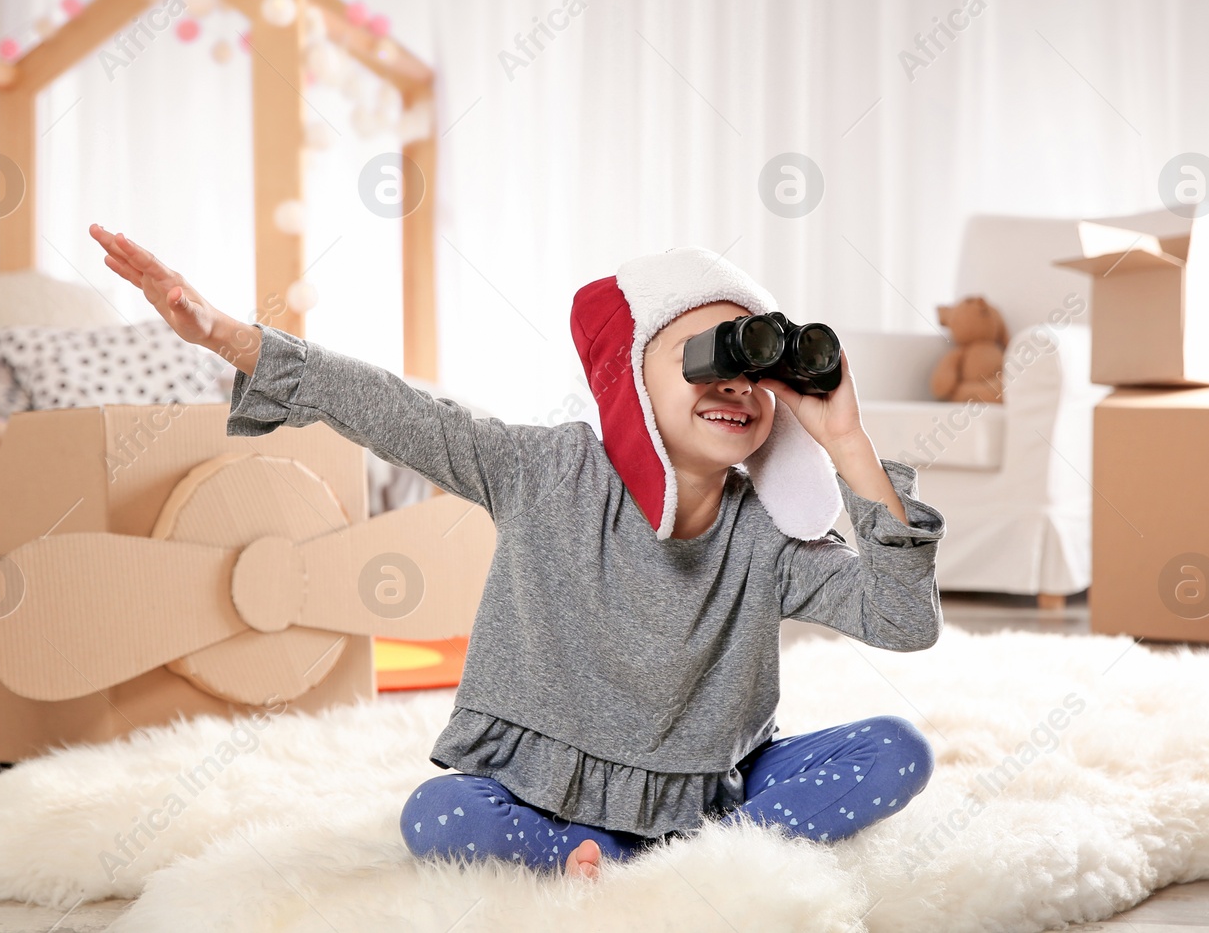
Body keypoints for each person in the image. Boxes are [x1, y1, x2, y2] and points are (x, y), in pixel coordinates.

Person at [89, 226, 946, 882]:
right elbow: (403, 413)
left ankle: (669, 858)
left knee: (898, 748)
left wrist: (848, 442)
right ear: (632, 380)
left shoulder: (766, 535)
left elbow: (904, 624)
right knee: (440, 814)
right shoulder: (551, 473)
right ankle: (595, 850)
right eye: (707, 360)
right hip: (547, 785)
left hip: (706, 788)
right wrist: (232, 338)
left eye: (758, 369)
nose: (735, 386)